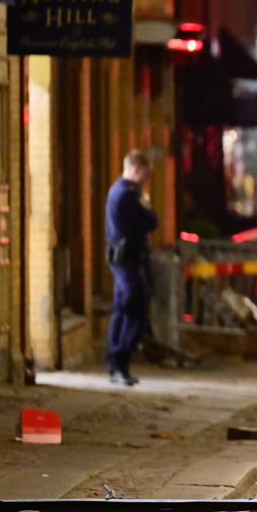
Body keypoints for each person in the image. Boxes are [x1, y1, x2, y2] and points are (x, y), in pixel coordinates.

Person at [105, 149, 158, 386]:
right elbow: (151, 221)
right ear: (135, 170)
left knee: (121, 310)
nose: (147, 180)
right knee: (134, 312)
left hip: (121, 258)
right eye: (145, 174)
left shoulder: (116, 190)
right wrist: (147, 203)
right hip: (129, 259)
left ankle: (115, 363)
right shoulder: (128, 195)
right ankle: (120, 362)